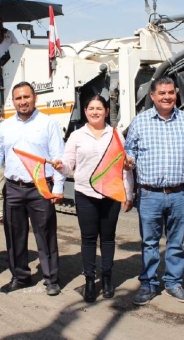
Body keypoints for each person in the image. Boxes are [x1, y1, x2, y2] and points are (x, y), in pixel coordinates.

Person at [124, 76, 184, 306]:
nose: (167, 96)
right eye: (162, 93)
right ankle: (148, 284)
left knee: (176, 241)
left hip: (179, 193)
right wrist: (128, 165)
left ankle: (173, 283)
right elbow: (128, 152)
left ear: (176, 94)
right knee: (150, 243)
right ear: (152, 96)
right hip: (149, 194)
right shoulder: (140, 122)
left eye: (171, 92)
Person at [0, 81, 66, 296]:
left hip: (40, 187)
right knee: (14, 234)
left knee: (46, 234)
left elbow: (58, 157)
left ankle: (51, 278)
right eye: (18, 98)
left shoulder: (49, 123)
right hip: (13, 188)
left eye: (26, 97)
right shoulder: (6, 126)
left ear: (35, 98)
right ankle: (20, 276)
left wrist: (58, 187)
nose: (23, 102)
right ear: (13, 101)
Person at [53, 96, 133, 302]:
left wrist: (128, 193)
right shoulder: (76, 136)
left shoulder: (115, 135)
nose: (95, 112)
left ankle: (107, 278)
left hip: (111, 194)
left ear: (107, 111)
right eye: (91, 108)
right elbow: (69, 165)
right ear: (86, 111)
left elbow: (123, 167)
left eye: (99, 108)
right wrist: (60, 165)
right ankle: (90, 279)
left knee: (107, 237)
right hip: (85, 193)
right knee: (88, 239)